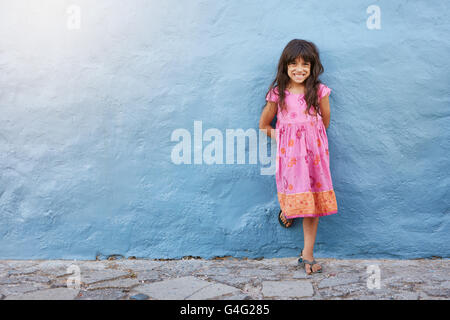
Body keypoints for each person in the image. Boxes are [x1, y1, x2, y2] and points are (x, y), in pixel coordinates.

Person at [259, 39, 338, 275]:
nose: (299, 68)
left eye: (305, 64)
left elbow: (324, 122)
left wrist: (309, 139)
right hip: (291, 157)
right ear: (285, 66)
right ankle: (288, 209)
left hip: (315, 157)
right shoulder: (278, 94)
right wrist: (284, 138)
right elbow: (264, 125)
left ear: (313, 67)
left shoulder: (319, 92)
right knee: (293, 192)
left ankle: (307, 255)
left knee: (312, 204)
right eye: (293, 63)